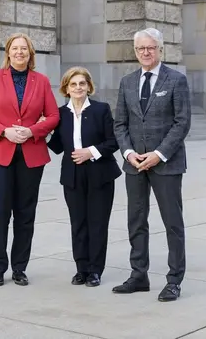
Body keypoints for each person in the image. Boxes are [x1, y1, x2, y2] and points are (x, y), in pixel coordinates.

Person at [0, 32, 60, 287]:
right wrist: (3, 130)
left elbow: (53, 116)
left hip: (31, 155)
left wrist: (33, 131)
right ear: (8, 53)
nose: (19, 52)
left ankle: (20, 268)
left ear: (30, 54)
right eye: (15, 48)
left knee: (25, 213)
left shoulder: (41, 81)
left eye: (24, 49)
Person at [112, 27, 191, 302]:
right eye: (140, 48)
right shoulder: (127, 82)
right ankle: (138, 275)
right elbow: (120, 124)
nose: (145, 52)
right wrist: (128, 153)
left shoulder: (176, 80)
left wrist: (158, 154)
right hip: (134, 164)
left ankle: (174, 280)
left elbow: (182, 123)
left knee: (172, 223)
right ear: (135, 52)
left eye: (150, 48)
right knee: (136, 220)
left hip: (166, 164)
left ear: (159, 49)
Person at [46, 66, 121, 288]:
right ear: (66, 89)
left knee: (97, 223)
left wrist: (91, 151)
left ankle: (95, 270)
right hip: (73, 174)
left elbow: (113, 141)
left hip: (100, 173)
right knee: (78, 222)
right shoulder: (60, 114)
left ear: (89, 86)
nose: (78, 88)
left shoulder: (101, 110)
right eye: (73, 84)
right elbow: (59, 147)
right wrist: (46, 132)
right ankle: (81, 269)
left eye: (82, 83)